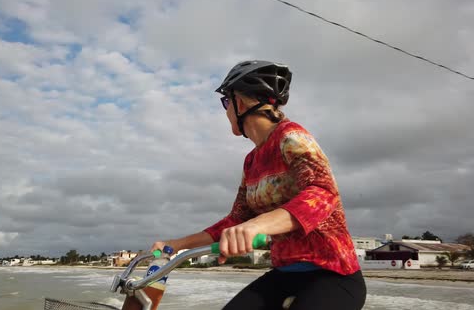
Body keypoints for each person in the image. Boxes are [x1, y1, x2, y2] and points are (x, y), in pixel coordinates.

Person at [151, 60, 366, 309]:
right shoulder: (251, 161)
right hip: (285, 274)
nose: (226, 111)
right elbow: (236, 220)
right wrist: (176, 245)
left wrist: (256, 226)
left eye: (226, 103)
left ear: (240, 103)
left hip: (333, 274)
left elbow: (322, 194)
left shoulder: (291, 137)